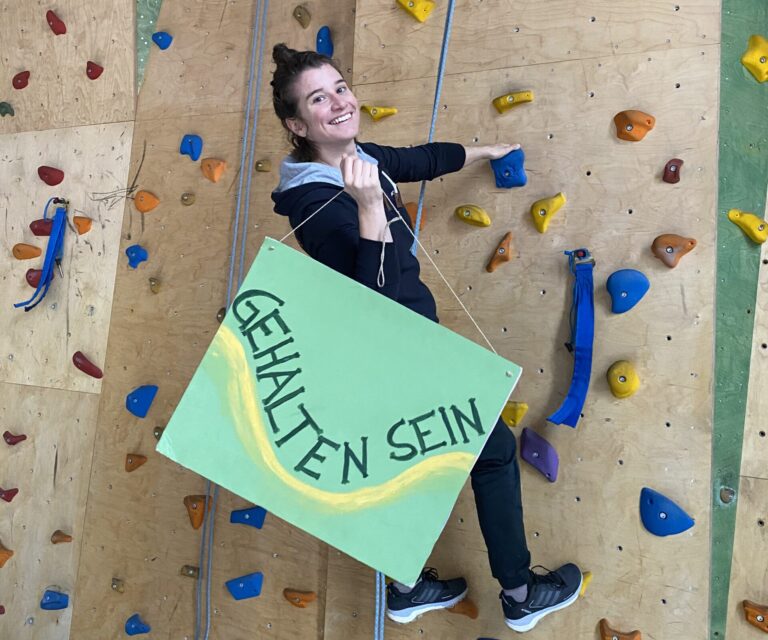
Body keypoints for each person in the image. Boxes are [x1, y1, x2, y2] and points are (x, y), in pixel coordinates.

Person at [269, 43, 582, 633]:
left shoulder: (356, 156)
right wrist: (367, 207)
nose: (338, 102)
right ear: (296, 124)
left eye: (339, 87)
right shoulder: (316, 199)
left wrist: (484, 150)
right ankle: (518, 595)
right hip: (395, 349)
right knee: (491, 455)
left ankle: (408, 589)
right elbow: (379, 303)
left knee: (406, 461)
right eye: (318, 98)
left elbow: (414, 159)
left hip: (401, 346)